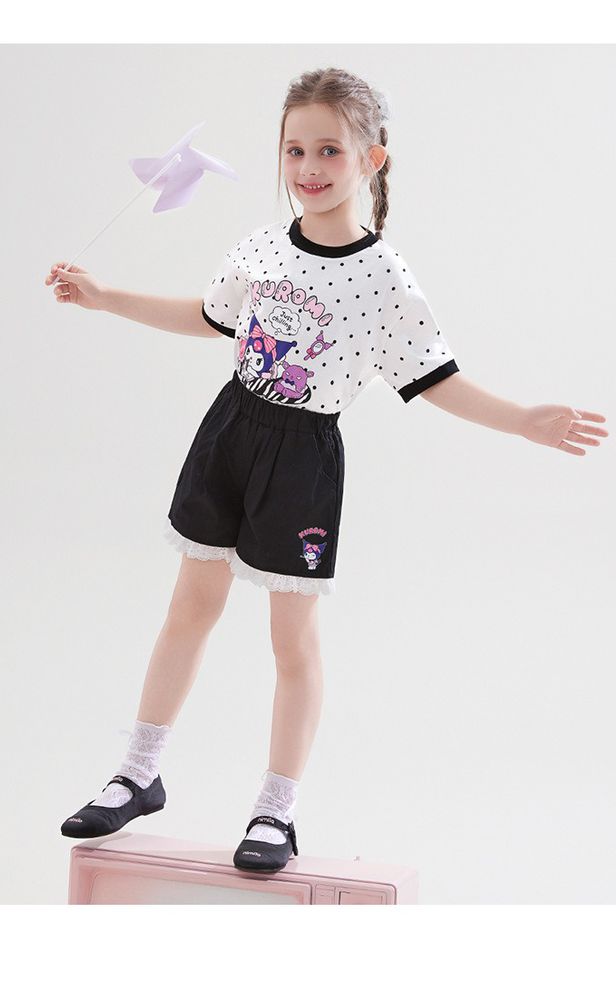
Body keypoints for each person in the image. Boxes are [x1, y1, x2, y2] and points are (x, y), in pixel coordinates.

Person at [46, 67, 607, 874]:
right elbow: (209, 317)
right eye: (295, 150)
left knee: (292, 638)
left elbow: (435, 379)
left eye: (330, 150)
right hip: (229, 434)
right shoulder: (261, 246)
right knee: (189, 606)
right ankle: (138, 773)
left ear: (371, 159)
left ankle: (276, 810)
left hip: (302, 459)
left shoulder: (385, 280)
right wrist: (106, 298)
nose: (308, 167)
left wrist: (522, 419)